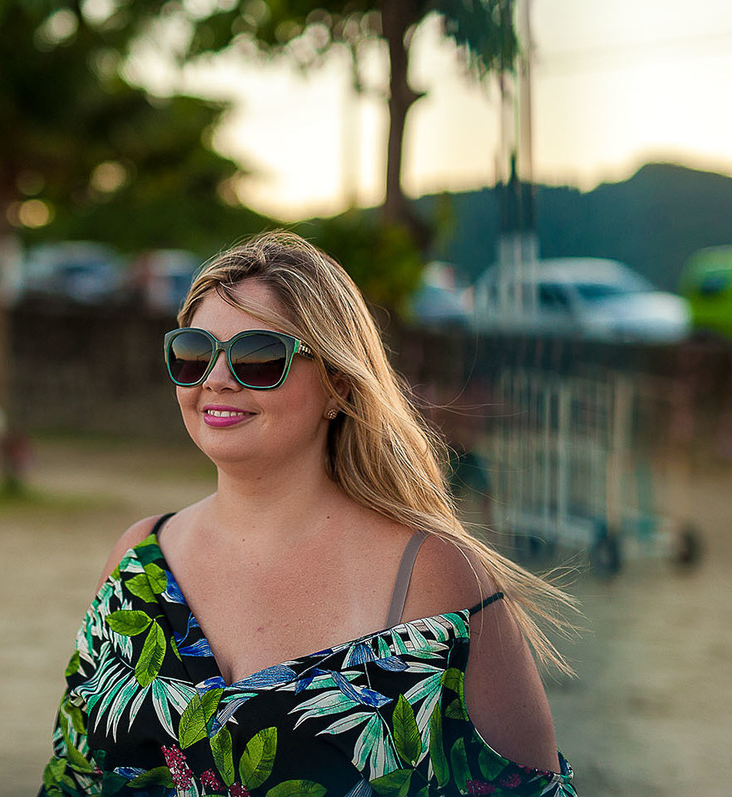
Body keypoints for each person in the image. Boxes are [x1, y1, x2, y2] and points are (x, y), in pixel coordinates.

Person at [40, 232, 577, 796]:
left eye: (259, 357)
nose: (215, 380)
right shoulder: (138, 560)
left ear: (338, 385)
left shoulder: (431, 576)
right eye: (194, 353)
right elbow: (75, 777)